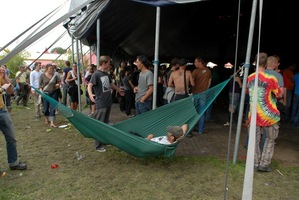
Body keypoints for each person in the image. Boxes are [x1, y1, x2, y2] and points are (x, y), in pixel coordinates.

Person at [246, 52, 282, 172]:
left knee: (254, 141)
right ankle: (264, 164)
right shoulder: (271, 78)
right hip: (269, 115)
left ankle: (255, 163)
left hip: (254, 114)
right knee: (270, 140)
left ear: (255, 62)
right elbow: (279, 94)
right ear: (266, 63)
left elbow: (248, 92)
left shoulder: (250, 77)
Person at [87, 55, 125, 152]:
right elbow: (89, 85)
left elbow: (110, 84)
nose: (110, 65)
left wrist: (118, 89)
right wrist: (91, 95)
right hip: (101, 103)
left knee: (104, 123)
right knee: (100, 124)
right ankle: (98, 145)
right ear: (104, 63)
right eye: (108, 63)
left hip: (108, 102)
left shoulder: (106, 74)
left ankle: (102, 141)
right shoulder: (96, 74)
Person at [0, 66, 27, 170]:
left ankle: (13, 162)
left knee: (11, 138)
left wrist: (5, 76)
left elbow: (11, 91)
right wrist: (2, 89)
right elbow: (3, 89)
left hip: (2, 110)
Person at [191, 56, 212, 134]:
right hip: (204, 93)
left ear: (200, 62)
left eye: (195, 62)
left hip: (195, 93)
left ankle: (192, 129)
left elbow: (191, 82)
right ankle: (201, 130)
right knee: (202, 112)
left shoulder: (195, 71)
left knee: (194, 112)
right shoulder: (208, 71)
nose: (194, 63)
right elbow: (209, 83)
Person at [39, 63, 61, 127]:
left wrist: (58, 85)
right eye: (50, 68)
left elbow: (59, 82)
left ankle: (52, 122)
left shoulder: (55, 75)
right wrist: (41, 92)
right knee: (45, 108)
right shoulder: (42, 76)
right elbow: (40, 85)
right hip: (45, 93)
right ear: (47, 69)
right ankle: (46, 118)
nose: (52, 70)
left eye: (52, 68)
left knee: (52, 107)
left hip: (54, 92)